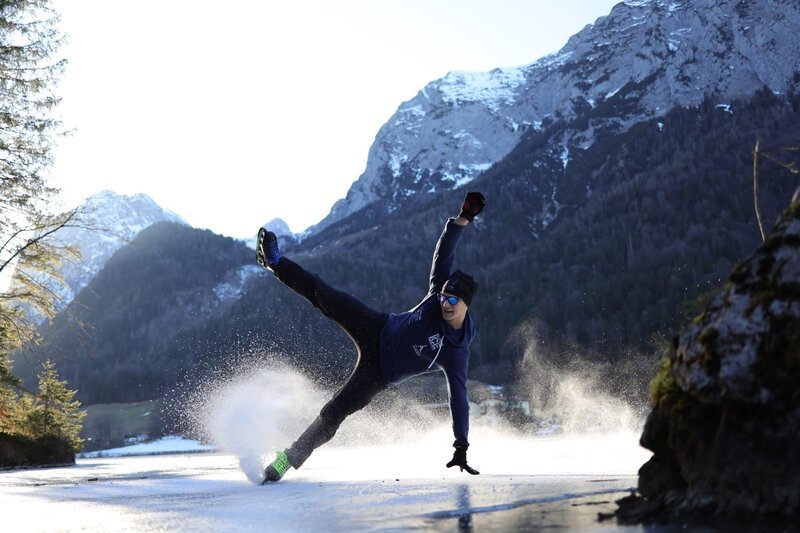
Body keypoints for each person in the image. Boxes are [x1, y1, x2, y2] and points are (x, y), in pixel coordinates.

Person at [255, 192, 486, 483]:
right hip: (377, 326)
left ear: (466, 304)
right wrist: (462, 219)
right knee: (325, 295)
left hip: (379, 374)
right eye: (443, 297)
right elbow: (445, 252)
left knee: (333, 413)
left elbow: (459, 399)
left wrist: (461, 444)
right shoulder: (438, 292)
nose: (445, 304)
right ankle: (275, 262)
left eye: (453, 301)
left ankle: (287, 460)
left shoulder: (456, 351)